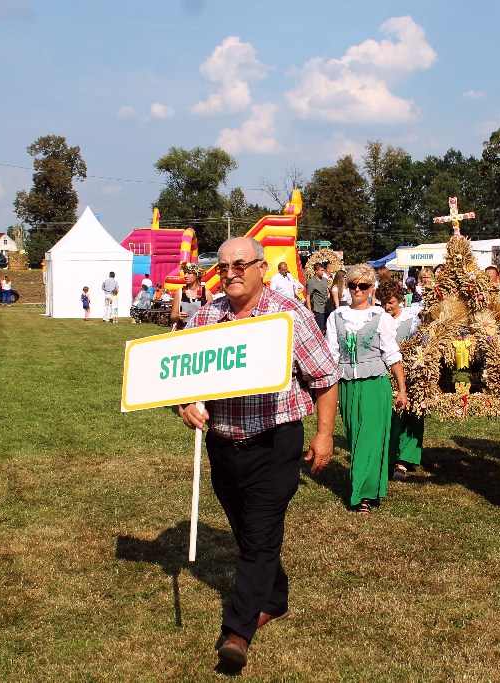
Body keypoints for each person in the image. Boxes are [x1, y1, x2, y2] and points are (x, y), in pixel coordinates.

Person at [177, 237, 339, 672]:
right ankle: (275, 597)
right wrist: (185, 403)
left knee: (260, 535)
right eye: (223, 266)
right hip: (223, 444)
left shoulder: (290, 315)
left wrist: (324, 435)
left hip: (275, 442)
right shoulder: (206, 316)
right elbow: (181, 374)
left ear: (261, 268)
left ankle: (238, 632)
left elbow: (325, 377)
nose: (230, 273)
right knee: (249, 533)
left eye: (240, 264)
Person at [325, 263, 408, 515]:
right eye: (353, 285)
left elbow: (392, 355)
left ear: (372, 288)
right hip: (347, 385)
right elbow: (331, 355)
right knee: (354, 437)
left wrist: (402, 389)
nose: (357, 290)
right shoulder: (336, 317)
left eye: (363, 285)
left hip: (375, 384)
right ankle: (368, 486)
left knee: (369, 439)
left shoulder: (381, 317)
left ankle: (362, 495)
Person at [377, 280, 422, 481]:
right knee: (390, 416)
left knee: (410, 415)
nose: (387, 307)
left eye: (391, 302)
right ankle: (388, 455)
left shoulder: (411, 319)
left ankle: (403, 459)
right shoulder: (379, 318)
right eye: (384, 302)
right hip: (386, 371)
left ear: (400, 300)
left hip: (409, 372)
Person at [170, 263, 207, 330]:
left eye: (189, 273)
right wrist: (178, 316)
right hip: (183, 331)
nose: (185, 276)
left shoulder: (206, 293)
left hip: (200, 331)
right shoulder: (180, 292)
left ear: (197, 275)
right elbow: (172, 317)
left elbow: (211, 314)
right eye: (185, 273)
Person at [305, 261, 330, 333]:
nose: (323, 272)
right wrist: (310, 310)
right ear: (316, 271)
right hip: (318, 309)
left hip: (326, 307)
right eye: (321, 270)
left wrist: (329, 297)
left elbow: (327, 290)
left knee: (327, 328)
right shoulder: (311, 282)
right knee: (320, 329)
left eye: (323, 270)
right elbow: (308, 297)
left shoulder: (325, 280)